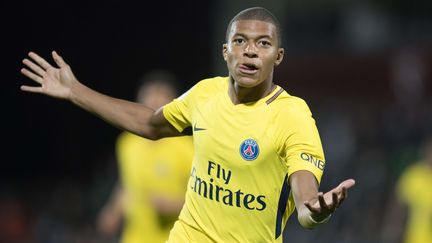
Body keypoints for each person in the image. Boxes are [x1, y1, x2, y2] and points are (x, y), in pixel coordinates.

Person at [20, 7, 355, 242]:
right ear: (226, 52)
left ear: (278, 56)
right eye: (240, 41)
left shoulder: (292, 115)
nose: (250, 51)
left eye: (263, 43)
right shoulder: (205, 94)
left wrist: (317, 213)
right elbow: (150, 124)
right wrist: (75, 90)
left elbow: (305, 203)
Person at [96, 72, 194, 243]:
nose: (154, 102)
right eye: (149, 96)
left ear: (174, 103)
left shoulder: (188, 148)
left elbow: (206, 200)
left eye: (161, 96)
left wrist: (174, 205)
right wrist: (113, 211)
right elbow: (126, 184)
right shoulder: (127, 143)